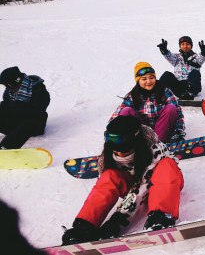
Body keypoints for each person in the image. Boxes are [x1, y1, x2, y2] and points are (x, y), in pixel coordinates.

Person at [61, 116, 184, 245]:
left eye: (125, 152)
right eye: (116, 152)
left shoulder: (154, 150)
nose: (119, 155)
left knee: (167, 165)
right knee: (109, 175)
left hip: (165, 184)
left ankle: (161, 217)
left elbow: (142, 189)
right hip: (133, 187)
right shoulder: (107, 156)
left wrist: (117, 221)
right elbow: (104, 189)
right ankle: (84, 227)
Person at [110, 62, 185, 144]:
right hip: (141, 133)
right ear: (138, 80)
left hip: (162, 131)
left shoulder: (164, 90)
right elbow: (119, 112)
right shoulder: (132, 95)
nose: (148, 81)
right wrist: (112, 131)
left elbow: (177, 110)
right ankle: (133, 142)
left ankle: (159, 143)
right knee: (126, 111)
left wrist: (179, 130)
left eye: (151, 78)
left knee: (171, 108)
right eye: (144, 79)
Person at [0, 66, 50, 149]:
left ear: (16, 82)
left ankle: (5, 147)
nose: (8, 88)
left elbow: (37, 112)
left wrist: (15, 109)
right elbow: (6, 105)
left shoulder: (39, 91)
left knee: (30, 123)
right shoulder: (9, 92)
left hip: (34, 126)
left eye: (8, 85)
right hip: (15, 125)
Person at [157, 36, 205, 100]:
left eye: (188, 44)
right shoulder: (177, 58)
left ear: (191, 46)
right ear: (180, 46)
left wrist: (204, 52)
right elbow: (169, 56)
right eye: (183, 44)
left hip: (192, 87)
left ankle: (190, 94)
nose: (185, 46)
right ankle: (157, 94)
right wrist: (164, 50)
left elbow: (201, 59)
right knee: (166, 74)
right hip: (179, 87)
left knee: (195, 72)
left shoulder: (196, 58)